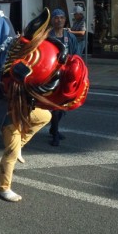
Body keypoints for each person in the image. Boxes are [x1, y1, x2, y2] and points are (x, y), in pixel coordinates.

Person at [48, 8, 78, 146]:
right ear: (52, 20)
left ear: (65, 20)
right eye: (56, 17)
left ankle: (54, 128)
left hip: (65, 76)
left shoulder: (70, 37)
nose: (58, 20)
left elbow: (76, 57)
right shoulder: (47, 36)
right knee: (55, 105)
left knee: (63, 105)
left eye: (61, 17)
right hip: (50, 75)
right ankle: (55, 133)